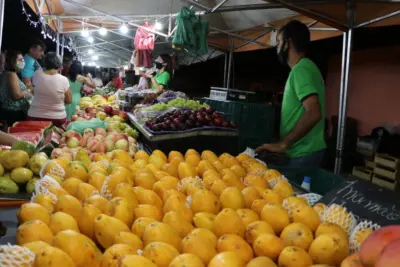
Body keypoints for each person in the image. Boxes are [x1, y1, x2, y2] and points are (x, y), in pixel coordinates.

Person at [256, 20, 326, 167]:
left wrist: (283, 144)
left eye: (280, 41)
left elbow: (314, 112)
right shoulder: (307, 67)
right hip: (303, 152)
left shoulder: (301, 70)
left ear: (288, 43)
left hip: (303, 153)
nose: (277, 47)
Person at [27, 52, 72, 127]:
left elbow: (35, 90)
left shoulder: (37, 74)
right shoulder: (64, 79)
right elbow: (69, 100)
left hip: (35, 115)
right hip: (57, 118)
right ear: (58, 63)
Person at [0, 51, 33, 126]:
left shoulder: (7, 73)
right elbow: (16, 96)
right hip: (12, 113)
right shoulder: (12, 74)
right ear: (12, 61)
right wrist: (29, 89)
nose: (23, 62)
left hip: (8, 111)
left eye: (23, 59)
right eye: (20, 60)